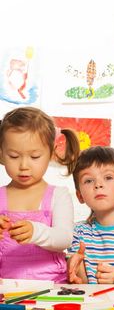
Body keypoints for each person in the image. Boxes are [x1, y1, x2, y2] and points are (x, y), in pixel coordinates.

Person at [0, 107, 80, 283]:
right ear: (1, 154)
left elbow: (64, 238)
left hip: (52, 285)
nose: (24, 166)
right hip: (6, 287)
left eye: (34, 157)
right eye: (13, 156)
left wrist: (35, 231)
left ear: (51, 153)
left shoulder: (58, 196)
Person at [67, 146, 114, 284]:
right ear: (80, 195)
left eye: (108, 177)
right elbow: (82, 286)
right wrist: (75, 269)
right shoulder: (76, 232)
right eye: (89, 180)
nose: (98, 184)